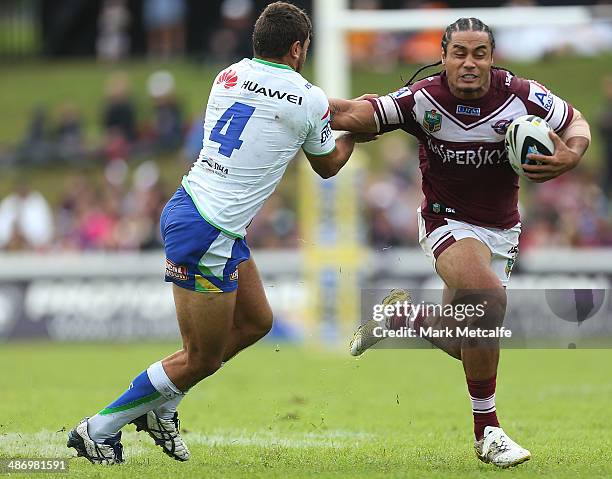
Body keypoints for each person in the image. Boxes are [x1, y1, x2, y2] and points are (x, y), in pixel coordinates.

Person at [67, 1, 366, 465]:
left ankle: (163, 404)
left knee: (256, 322)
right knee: (200, 358)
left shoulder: (227, 75)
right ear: (297, 48)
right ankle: (99, 428)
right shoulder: (307, 98)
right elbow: (329, 165)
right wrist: (360, 133)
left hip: (195, 208)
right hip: (211, 229)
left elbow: (291, 113)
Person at [330, 17, 591, 468]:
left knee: (464, 337)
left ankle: (401, 317)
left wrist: (572, 155)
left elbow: (576, 122)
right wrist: (299, 101)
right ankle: (487, 432)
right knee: (486, 300)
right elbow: (361, 114)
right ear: (444, 55)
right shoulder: (422, 99)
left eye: (479, 54)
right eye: (459, 53)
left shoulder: (521, 95)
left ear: (492, 58)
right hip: (446, 223)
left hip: (502, 230)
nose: (469, 63)